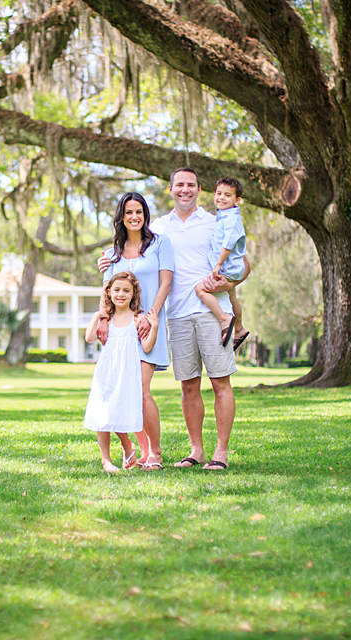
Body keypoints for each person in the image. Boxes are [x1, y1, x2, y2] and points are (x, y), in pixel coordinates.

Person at [112, 167, 247, 471]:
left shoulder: (216, 222)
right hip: (177, 315)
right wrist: (109, 258)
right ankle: (196, 451)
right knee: (188, 386)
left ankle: (221, 453)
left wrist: (229, 283)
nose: (185, 189)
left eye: (191, 185)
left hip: (212, 312)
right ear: (170, 190)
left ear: (199, 190)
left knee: (220, 383)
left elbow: (244, 263)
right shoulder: (158, 228)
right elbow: (134, 255)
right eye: (179, 185)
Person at [100, 192, 173, 471]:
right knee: (122, 390)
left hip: (147, 328)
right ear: (122, 216)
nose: (134, 217)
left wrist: (150, 316)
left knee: (141, 390)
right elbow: (106, 291)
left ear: (145, 215)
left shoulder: (159, 244)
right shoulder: (112, 254)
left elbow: (165, 283)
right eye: (129, 212)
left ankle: (154, 452)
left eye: (139, 211)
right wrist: (104, 319)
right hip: (120, 331)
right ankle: (136, 450)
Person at [83, 272, 159, 473]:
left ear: (134, 294)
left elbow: (148, 347)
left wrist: (155, 326)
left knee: (121, 410)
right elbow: (90, 338)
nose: (121, 294)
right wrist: (96, 316)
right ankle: (106, 460)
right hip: (107, 372)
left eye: (126, 290)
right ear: (108, 292)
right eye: (116, 290)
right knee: (103, 413)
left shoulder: (138, 319)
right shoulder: (106, 318)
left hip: (128, 373)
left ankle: (129, 446)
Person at [194, 177, 249, 350]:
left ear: (237, 200)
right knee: (232, 296)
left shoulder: (232, 219)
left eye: (227, 195)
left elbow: (228, 245)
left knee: (200, 289)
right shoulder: (223, 216)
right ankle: (239, 329)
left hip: (227, 268)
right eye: (218, 193)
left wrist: (217, 266)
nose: (221, 198)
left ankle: (224, 318)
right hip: (229, 268)